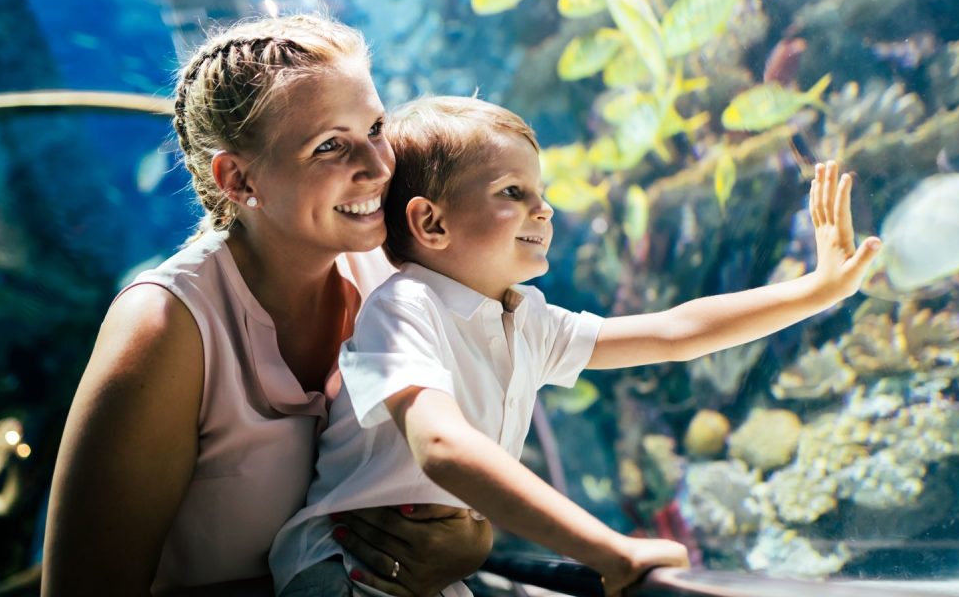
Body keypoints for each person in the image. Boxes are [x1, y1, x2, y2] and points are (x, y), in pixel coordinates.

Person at [269, 96, 883, 597]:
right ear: (432, 223)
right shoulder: (406, 307)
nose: (546, 207)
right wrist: (610, 552)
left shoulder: (525, 319)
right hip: (339, 573)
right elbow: (441, 446)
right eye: (513, 192)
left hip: (419, 575)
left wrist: (815, 291)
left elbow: (675, 332)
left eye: (541, 190)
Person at [41, 16, 493, 597]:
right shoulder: (167, 327)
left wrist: (471, 541)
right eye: (330, 145)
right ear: (238, 178)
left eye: (376, 127)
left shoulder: (402, 274)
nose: (380, 167)